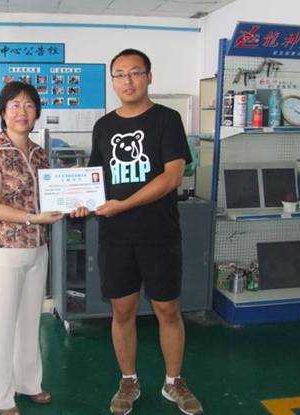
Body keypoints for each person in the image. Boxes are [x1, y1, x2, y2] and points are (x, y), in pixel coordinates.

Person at [71, 49, 204, 415]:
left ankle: (173, 382)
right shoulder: (104, 126)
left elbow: (172, 177)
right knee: (122, 311)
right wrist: (80, 199)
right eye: (120, 74)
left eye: (135, 72)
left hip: (159, 233)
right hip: (116, 237)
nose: (127, 81)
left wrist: (124, 204)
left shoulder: (167, 119)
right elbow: (97, 179)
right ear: (112, 81)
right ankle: (128, 380)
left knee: (168, 309)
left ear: (149, 77)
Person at [0, 81, 63, 415]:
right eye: (14, 105)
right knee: (3, 326)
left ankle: (29, 383)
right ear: (3, 112)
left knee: (29, 322)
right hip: (5, 250)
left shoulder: (40, 154)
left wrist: (76, 195)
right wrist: (33, 218)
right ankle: (3, 397)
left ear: (36, 112)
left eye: (29, 105)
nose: (22, 112)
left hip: (38, 249)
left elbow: (51, 196)